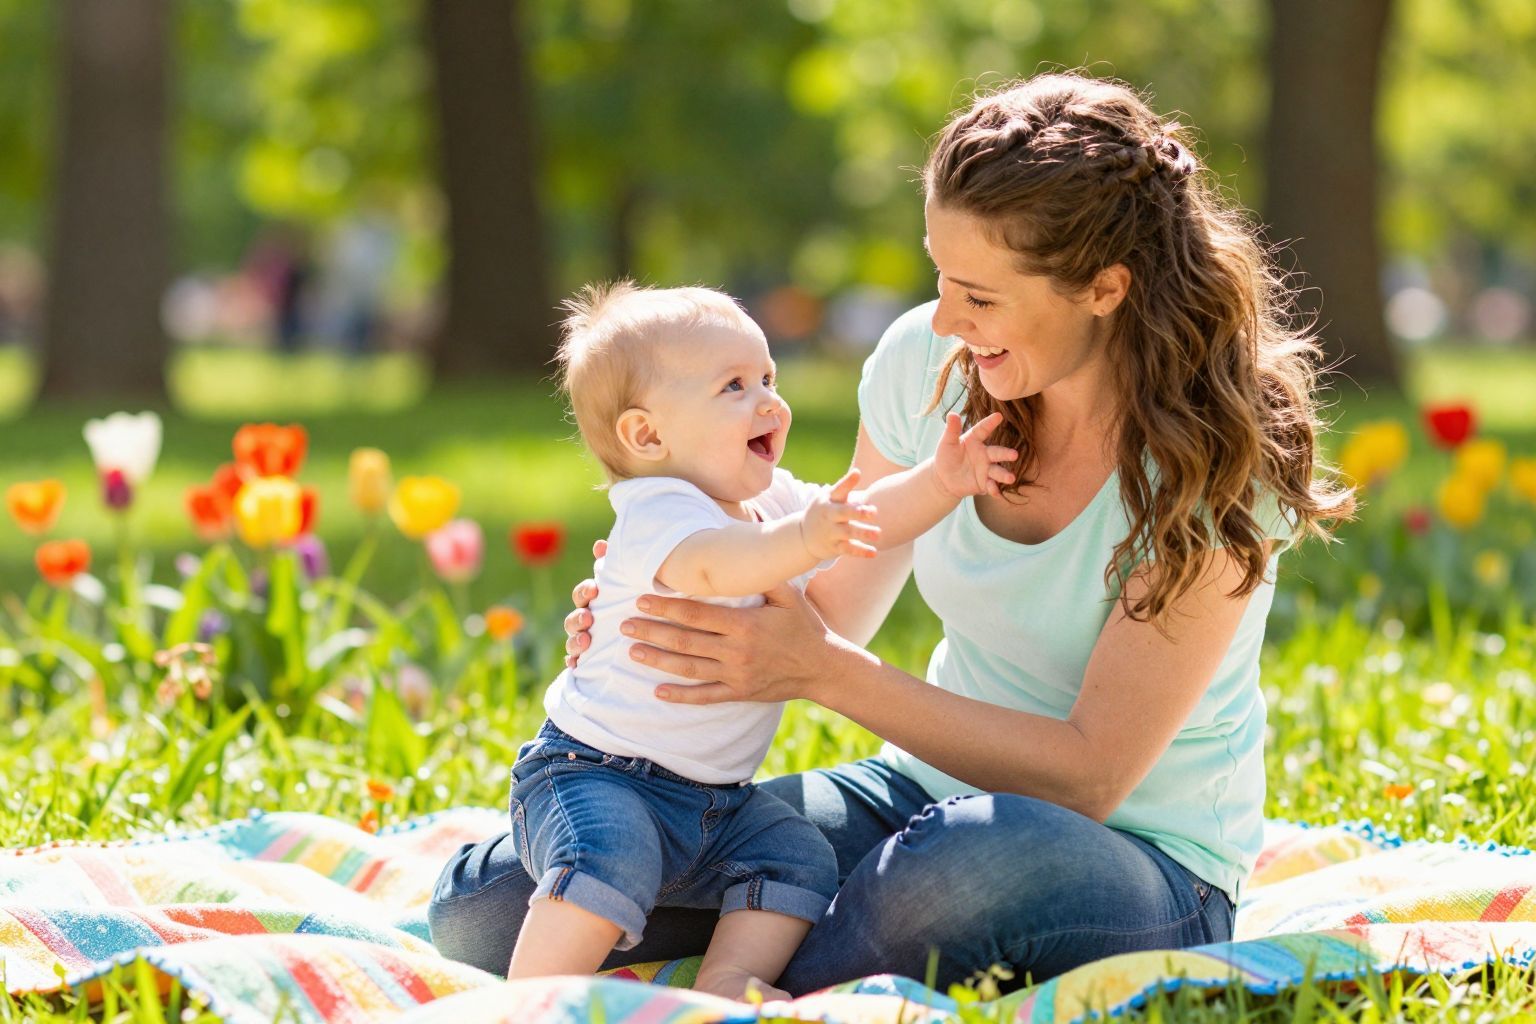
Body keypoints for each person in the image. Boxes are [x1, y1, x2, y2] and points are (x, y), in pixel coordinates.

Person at [429, 72, 1352, 995]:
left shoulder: (1219, 459)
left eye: (980, 297)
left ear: (1104, 288)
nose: (947, 321)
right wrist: (677, 609)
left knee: (957, 867)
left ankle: (736, 994)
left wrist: (820, 672)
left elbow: (1089, 777)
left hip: (1137, 857)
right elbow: (826, 603)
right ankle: (792, 949)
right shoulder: (929, 365)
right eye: (940, 278)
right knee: (493, 907)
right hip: (921, 789)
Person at [495, 281, 1018, 1000]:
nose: (769, 400)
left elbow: (864, 518)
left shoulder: (768, 501)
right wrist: (805, 539)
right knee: (603, 863)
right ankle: (530, 1002)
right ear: (648, 436)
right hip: (598, 774)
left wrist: (940, 481)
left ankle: (731, 981)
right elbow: (721, 562)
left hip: (713, 802)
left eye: (769, 376)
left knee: (795, 857)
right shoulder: (659, 511)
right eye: (734, 386)